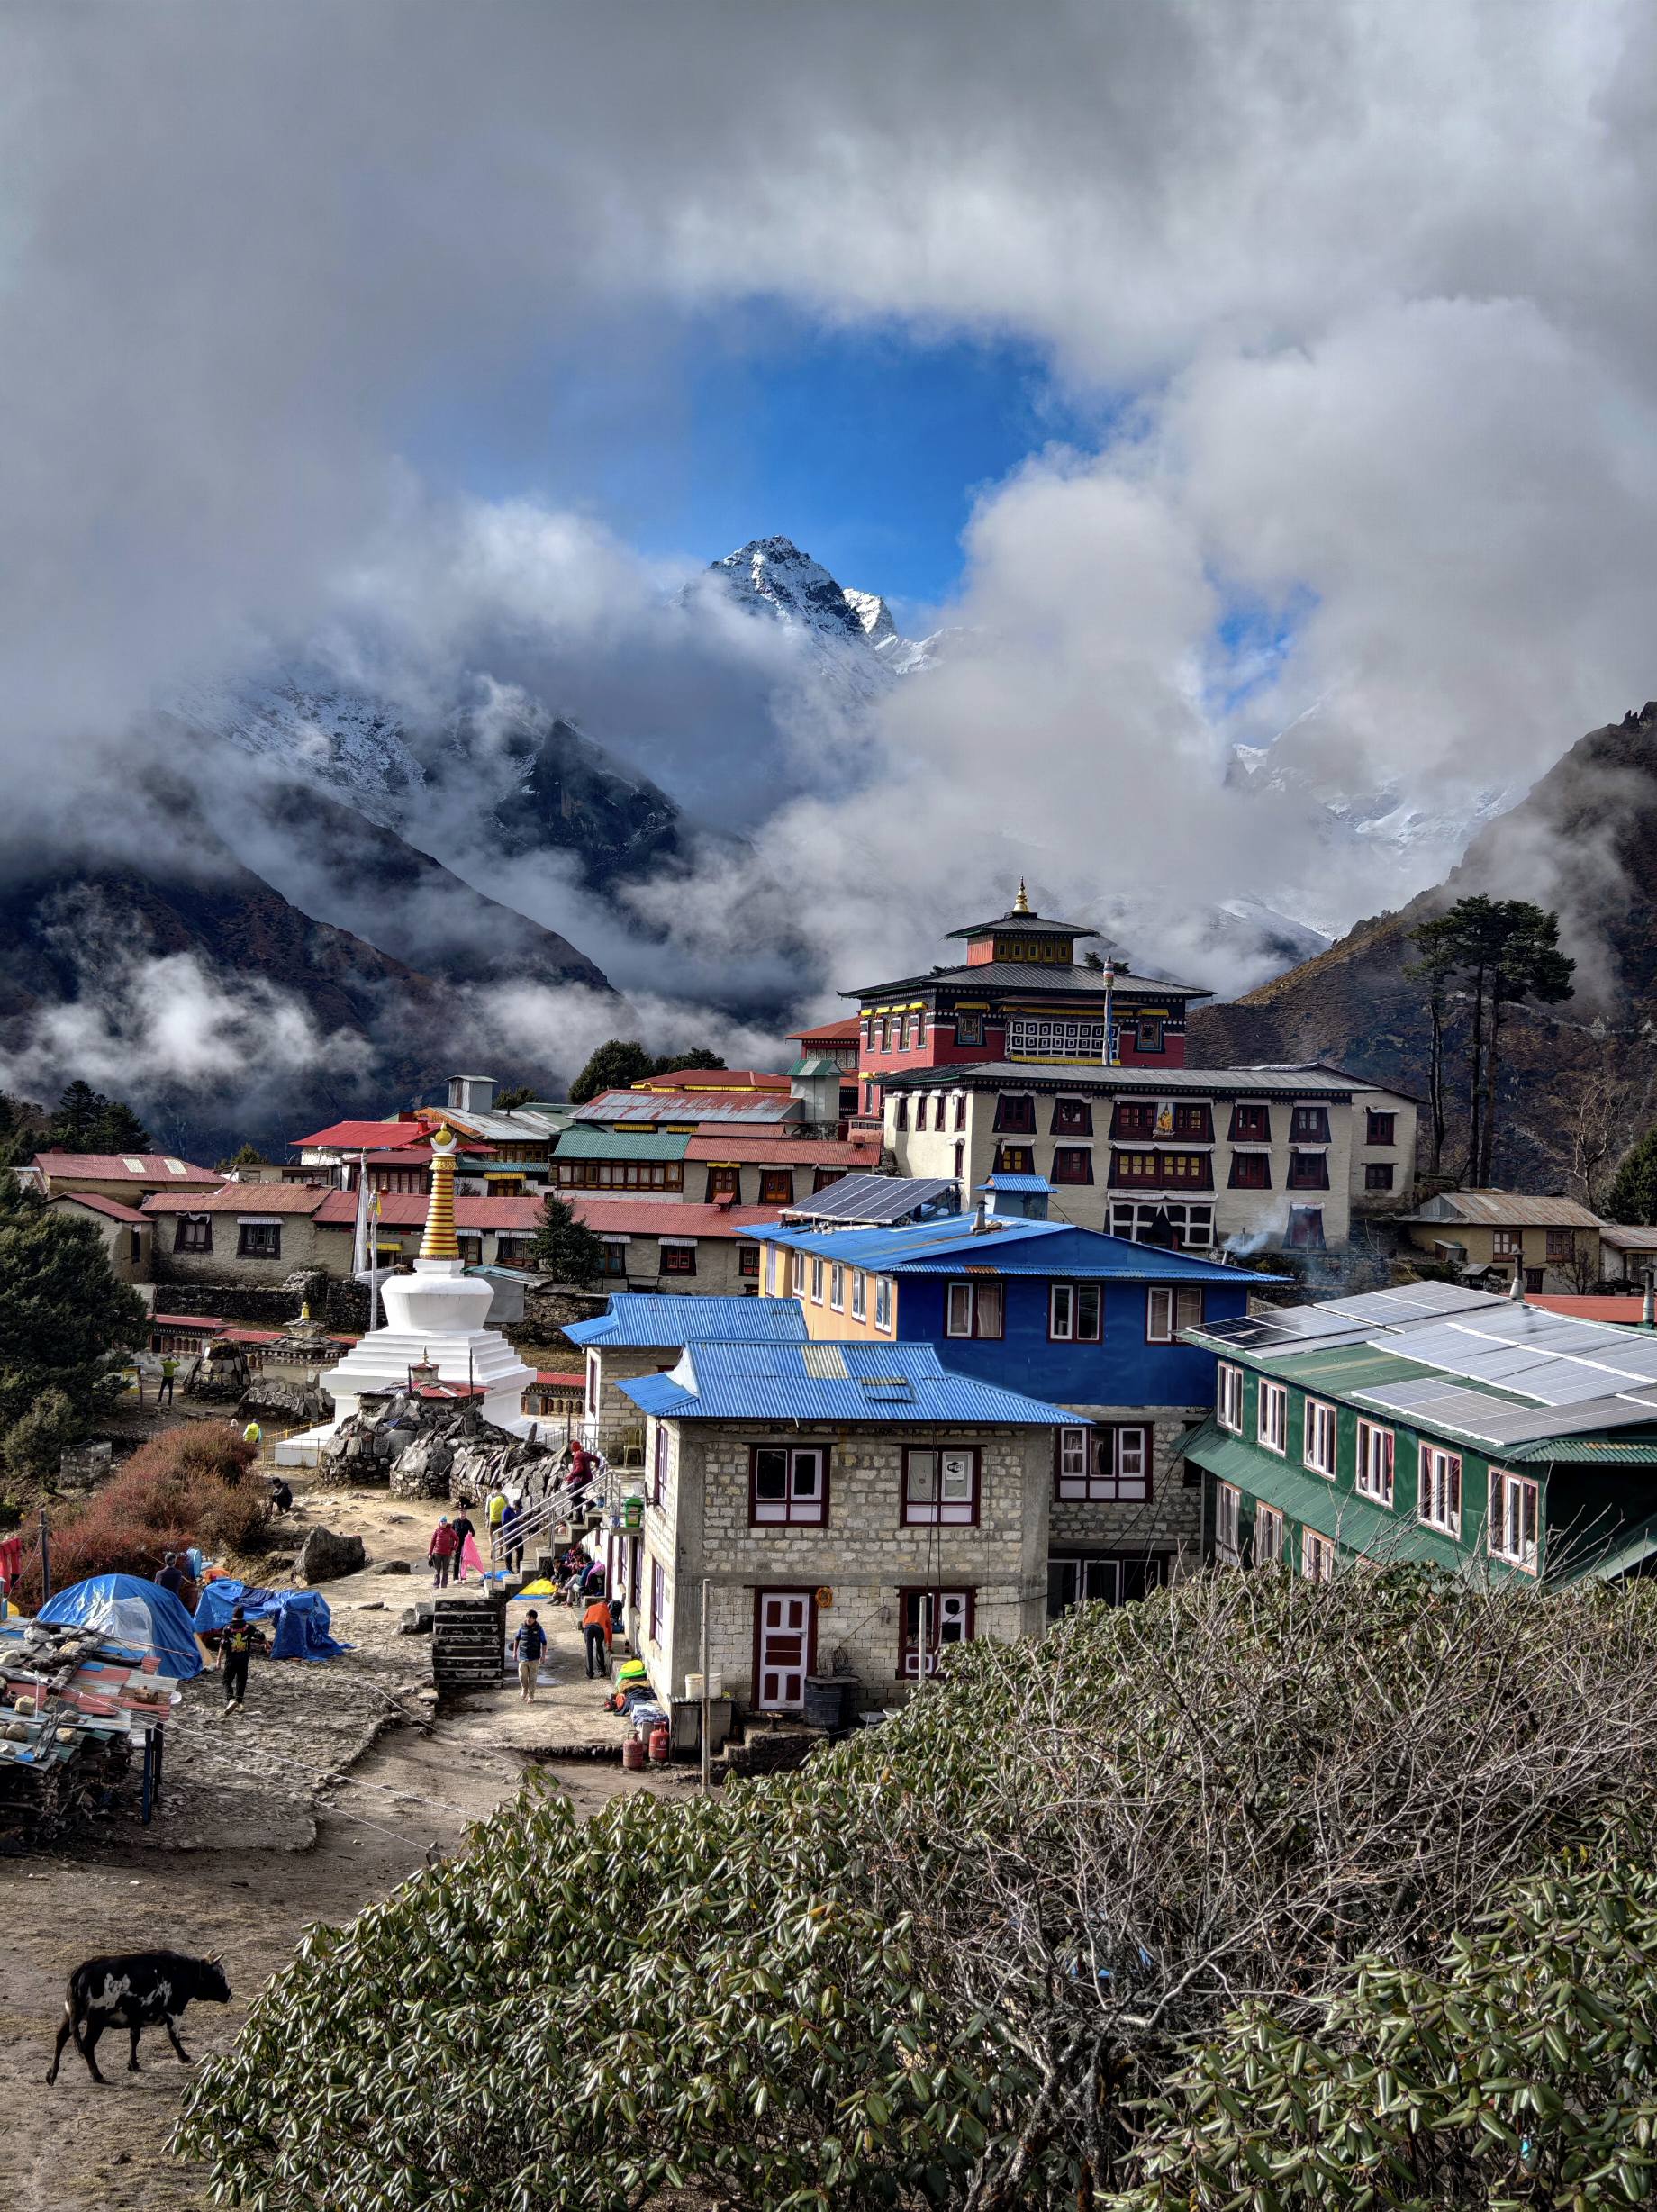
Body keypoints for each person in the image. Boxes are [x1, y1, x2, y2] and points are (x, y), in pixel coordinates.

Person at [218, 1607, 266, 1716]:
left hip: (231, 1660)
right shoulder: (248, 1627)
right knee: (241, 1680)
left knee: (226, 1680)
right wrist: (266, 1644)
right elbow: (261, 1636)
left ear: (233, 1614)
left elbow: (223, 1644)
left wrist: (218, 1660)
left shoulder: (227, 1628)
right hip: (244, 1660)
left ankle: (231, 1699)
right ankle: (239, 1703)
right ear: (243, 1615)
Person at [512, 1609, 548, 1702]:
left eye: (531, 1618)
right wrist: (514, 1653)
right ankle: (524, 1690)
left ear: (535, 1619)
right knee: (522, 1676)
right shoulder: (522, 1627)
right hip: (523, 1657)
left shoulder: (539, 1628)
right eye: (528, 1617)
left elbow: (544, 1642)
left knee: (532, 1678)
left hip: (534, 1658)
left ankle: (531, 1696)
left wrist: (543, 1656)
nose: (528, 1620)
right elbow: (516, 1639)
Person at [581, 1591, 614, 1681]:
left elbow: (584, 1621)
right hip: (599, 1628)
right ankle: (602, 1670)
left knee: (589, 1649)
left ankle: (590, 1673)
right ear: (606, 1605)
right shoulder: (606, 1611)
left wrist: (585, 1633)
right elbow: (609, 1630)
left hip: (588, 1627)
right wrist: (609, 1645)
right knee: (599, 1647)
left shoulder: (591, 1607)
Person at [429, 1516, 457, 1589]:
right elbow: (432, 1542)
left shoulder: (450, 1530)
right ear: (439, 1523)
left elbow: (457, 1539)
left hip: (447, 1554)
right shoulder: (437, 1531)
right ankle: (436, 1585)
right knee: (437, 1570)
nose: (443, 1523)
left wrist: (454, 1549)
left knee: (445, 1570)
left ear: (446, 1522)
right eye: (442, 1522)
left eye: (445, 1522)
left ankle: (444, 1585)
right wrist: (430, 1553)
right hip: (437, 1553)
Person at [450, 1511, 477, 1583]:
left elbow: (473, 1533)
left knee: (464, 1561)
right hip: (457, 1544)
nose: (462, 1515)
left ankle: (463, 1577)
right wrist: (451, 1546)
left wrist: (471, 1534)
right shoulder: (455, 1522)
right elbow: (451, 1534)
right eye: (461, 1513)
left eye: (464, 1514)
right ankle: (455, 1578)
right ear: (459, 1514)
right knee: (456, 1561)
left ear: (465, 1514)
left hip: (465, 1544)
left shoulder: (468, 1522)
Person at [501, 1500, 524, 1574]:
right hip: (509, 1534)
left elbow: (519, 1518)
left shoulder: (518, 1510)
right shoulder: (506, 1511)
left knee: (520, 1550)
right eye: (518, 1507)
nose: (518, 1509)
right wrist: (516, 1521)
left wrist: (521, 1521)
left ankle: (519, 1568)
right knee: (509, 1552)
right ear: (514, 1505)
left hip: (517, 1533)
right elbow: (504, 1523)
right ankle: (509, 1569)